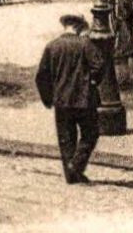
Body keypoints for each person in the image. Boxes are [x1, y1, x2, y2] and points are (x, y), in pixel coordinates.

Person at [34, 13, 101, 185]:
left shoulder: (52, 46)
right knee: (91, 133)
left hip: (61, 101)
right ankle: (76, 167)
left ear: (65, 26)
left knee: (66, 139)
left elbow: (41, 76)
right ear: (78, 27)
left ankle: (71, 174)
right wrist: (93, 81)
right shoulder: (85, 44)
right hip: (84, 100)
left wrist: (48, 98)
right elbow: (99, 65)